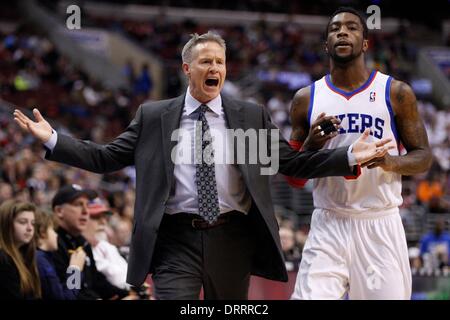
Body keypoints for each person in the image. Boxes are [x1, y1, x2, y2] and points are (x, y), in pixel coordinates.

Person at [14, 31, 392, 300]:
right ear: (187, 68)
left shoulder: (249, 115)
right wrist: (52, 139)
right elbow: (105, 157)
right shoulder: (154, 116)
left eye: (221, 62)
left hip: (233, 238)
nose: (215, 68)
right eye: (206, 61)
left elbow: (290, 162)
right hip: (175, 239)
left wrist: (347, 157)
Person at [288, 7, 433, 300]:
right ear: (326, 44)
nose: (342, 32)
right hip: (329, 221)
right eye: (335, 28)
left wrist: (390, 161)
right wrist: (312, 146)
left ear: (365, 43)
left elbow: (424, 157)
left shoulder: (396, 93)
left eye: (352, 27)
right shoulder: (306, 99)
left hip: (379, 222)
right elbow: (293, 177)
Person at [50, 184, 132, 300]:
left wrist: (129, 294)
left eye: (87, 205)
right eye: (78, 204)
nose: (85, 211)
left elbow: (97, 281)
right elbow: (67, 294)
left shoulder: (82, 242)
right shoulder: (52, 244)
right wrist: (75, 270)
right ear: (59, 211)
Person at [35, 208, 86, 299]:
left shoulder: (44, 258)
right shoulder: (40, 260)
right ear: (43, 232)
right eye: (53, 230)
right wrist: (75, 270)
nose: (56, 235)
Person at [83, 197, 130, 291]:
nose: (103, 222)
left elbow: (127, 279)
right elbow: (73, 291)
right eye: (95, 217)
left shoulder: (106, 246)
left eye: (104, 217)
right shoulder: (75, 250)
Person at [0, 200, 41, 299]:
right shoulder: (4, 260)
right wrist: (75, 270)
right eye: (23, 222)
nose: (30, 228)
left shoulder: (25, 254)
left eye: (33, 223)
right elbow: (68, 296)